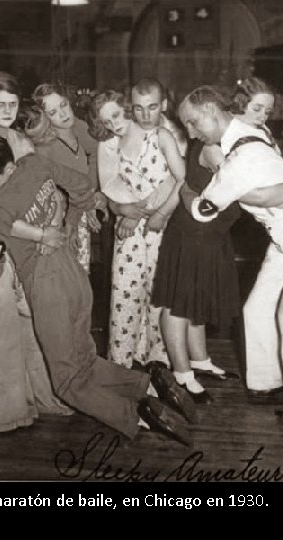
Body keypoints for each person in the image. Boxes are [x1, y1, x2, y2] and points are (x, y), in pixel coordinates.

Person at [0, 135, 193, 445]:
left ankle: (137, 416)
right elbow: (82, 185)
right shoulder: (36, 163)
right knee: (84, 360)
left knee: (67, 382)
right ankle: (148, 385)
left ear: (6, 170)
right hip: (73, 274)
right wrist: (66, 225)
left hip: (45, 285)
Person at [179, 85, 283, 418]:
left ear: (212, 112)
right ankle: (266, 382)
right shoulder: (248, 132)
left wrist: (185, 189)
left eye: (193, 123)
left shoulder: (240, 158)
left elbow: (203, 211)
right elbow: (265, 192)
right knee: (257, 309)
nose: (191, 133)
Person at [0, 71, 71, 432]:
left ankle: (41, 396)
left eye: (13, 103)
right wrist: (41, 234)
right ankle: (6, 410)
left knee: (32, 316)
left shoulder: (21, 139)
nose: (7, 110)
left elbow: (45, 184)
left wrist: (53, 221)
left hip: (29, 230)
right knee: (0, 318)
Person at [92, 89, 185, 371]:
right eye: (107, 121)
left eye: (117, 115)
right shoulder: (108, 145)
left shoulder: (159, 132)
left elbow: (176, 179)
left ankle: (159, 360)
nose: (114, 124)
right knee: (125, 291)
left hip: (161, 222)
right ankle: (122, 362)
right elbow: (109, 187)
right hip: (128, 225)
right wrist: (124, 210)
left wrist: (142, 210)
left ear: (128, 108)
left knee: (159, 292)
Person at [26, 82, 104, 273]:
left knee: (81, 274)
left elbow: (95, 153)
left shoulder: (79, 127)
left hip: (79, 211)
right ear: (44, 117)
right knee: (63, 276)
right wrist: (72, 221)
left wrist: (92, 194)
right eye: (53, 113)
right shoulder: (45, 147)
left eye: (63, 105)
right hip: (58, 220)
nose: (63, 114)